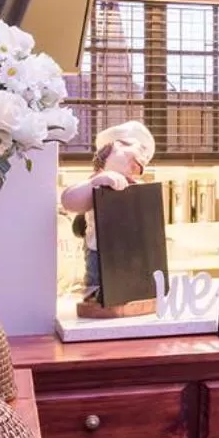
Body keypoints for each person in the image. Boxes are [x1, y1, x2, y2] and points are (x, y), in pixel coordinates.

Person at [60, 121, 155, 304]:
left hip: (130, 255)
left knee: (132, 290)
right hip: (100, 252)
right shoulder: (98, 181)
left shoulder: (134, 187)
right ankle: (96, 299)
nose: (141, 159)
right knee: (99, 290)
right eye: (137, 151)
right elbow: (69, 201)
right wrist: (97, 182)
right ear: (115, 146)